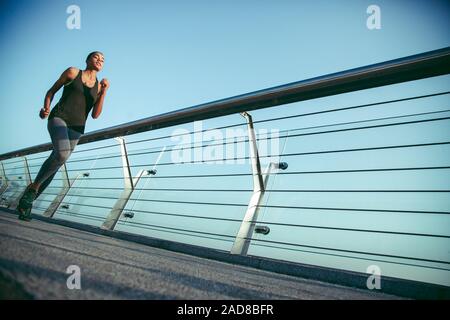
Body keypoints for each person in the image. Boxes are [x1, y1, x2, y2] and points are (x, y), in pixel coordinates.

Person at [17, 51, 109, 221]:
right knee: (61, 154)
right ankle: (33, 188)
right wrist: (46, 108)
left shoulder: (98, 87)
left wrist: (103, 92)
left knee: (57, 163)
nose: (99, 60)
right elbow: (51, 92)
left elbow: (95, 115)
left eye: (103, 60)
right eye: (96, 57)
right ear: (88, 59)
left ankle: (26, 204)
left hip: (77, 127)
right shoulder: (73, 72)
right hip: (59, 117)